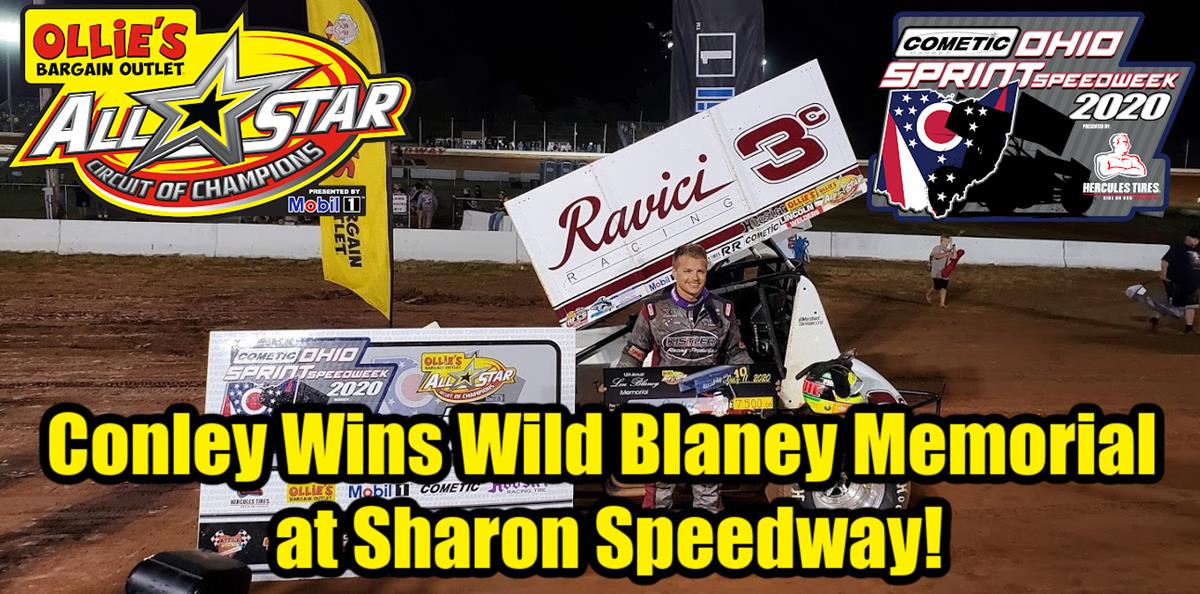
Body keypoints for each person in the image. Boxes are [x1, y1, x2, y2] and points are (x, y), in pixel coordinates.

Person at [614, 243, 753, 513]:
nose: (695, 277)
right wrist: (618, 387)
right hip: (665, 404)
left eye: (701, 271)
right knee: (662, 477)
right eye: (688, 271)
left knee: (708, 477)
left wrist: (756, 382)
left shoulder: (724, 310)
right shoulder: (654, 310)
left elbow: (736, 352)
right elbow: (634, 351)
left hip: (709, 403)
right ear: (674, 272)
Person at [1150, 229, 1200, 334]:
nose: (1196, 241)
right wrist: (1163, 274)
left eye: (1197, 239)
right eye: (1194, 238)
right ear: (1187, 237)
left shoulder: (1196, 251)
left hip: (1192, 283)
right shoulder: (1178, 248)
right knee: (1174, 303)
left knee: (1190, 305)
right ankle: (1156, 318)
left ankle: (1188, 327)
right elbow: (1165, 261)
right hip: (1178, 282)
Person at [926, 235, 955, 308]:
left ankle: (942, 303)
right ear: (941, 241)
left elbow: (954, 257)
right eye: (945, 241)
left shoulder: (948, 250)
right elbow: (936, 256)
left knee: (944, 286)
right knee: (937, 286)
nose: (946, 243)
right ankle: (928, 295)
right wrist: (947, 254)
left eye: (948, 242)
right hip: (936, 271)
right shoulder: (937, 248)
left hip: (944, 271)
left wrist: (954, 248)